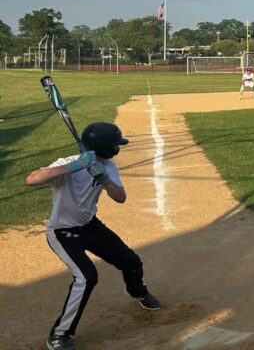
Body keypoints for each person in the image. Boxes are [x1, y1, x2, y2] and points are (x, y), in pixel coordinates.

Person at [26, 122, 160, 350]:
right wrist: (74, 167)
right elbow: (32, 179)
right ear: (105, 147)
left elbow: (120, 197)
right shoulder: (67, 163)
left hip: (90, 227)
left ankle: (136, 291)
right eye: (115, 145)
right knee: (86, 277)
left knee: (131, 261)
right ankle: (59, 334)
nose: (117, 148)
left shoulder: (108, 166)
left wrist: (106, 181)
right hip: (63, 233)